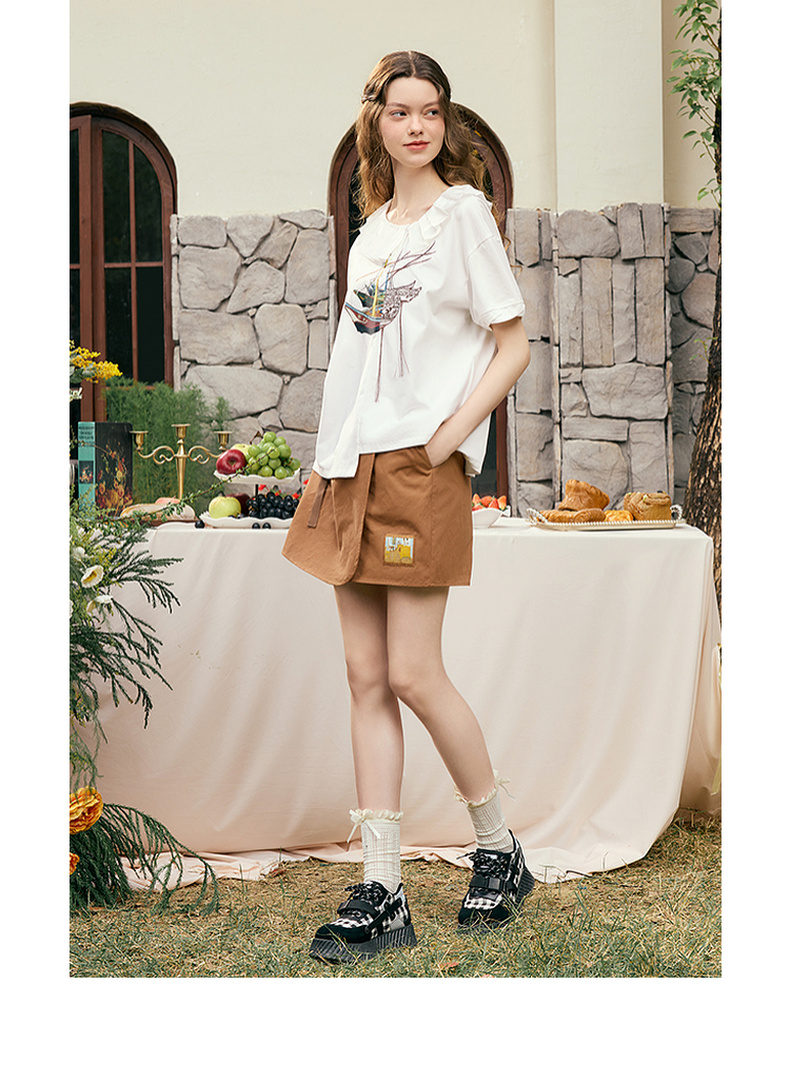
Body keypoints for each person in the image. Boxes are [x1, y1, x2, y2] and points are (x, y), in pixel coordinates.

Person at [282, 49, 534, 964]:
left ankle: (499, 850)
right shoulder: (372, 233)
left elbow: (513, 344)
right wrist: (325, 463)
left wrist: (446, 437)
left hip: (419, 468)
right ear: (377, 123)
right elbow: (355, 360)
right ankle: (381, 887)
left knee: (415, 672)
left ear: (445, 122)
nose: (417, 125)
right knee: (364, 674)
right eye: (401, 111)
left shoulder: (464, 215)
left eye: (430, 110)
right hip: (349, 465)